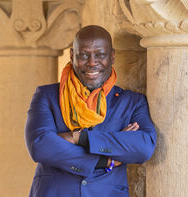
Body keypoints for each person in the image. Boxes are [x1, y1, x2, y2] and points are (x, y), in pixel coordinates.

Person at [25, 25, 156, 197]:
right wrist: (106, 160)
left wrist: (78, 137)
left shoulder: (131, 102)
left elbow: (143, 146)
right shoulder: (47, 96)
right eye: (84, 55)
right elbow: (40, 146)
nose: (92, 63)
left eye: (100, 55)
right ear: (72, 55)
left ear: (112, 56)